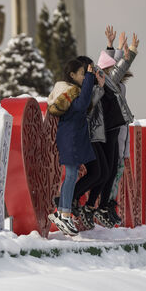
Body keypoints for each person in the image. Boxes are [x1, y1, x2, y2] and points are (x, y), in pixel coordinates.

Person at [72, 29, 139, 230]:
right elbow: (110, 66)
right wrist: (114, 48)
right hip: (101, 133)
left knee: (109, 172)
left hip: (113, 131)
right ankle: (85, 204)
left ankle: (97, 206)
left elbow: (116, 69)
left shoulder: (109, 81)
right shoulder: (95, 83)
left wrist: (130, 53)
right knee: (102, 172)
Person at [46, 59, 98, 236]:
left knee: (71, 175)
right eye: (82, 74)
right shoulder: (70, 92)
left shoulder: (70, 91)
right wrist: (90, 78)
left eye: (85, 74)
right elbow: (83, 105)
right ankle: (64, 214)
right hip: (71, 139)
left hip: (71, 138)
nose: (84, 77)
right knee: (70, 176)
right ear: (72, 75)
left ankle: (62, 212)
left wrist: (91, 78)